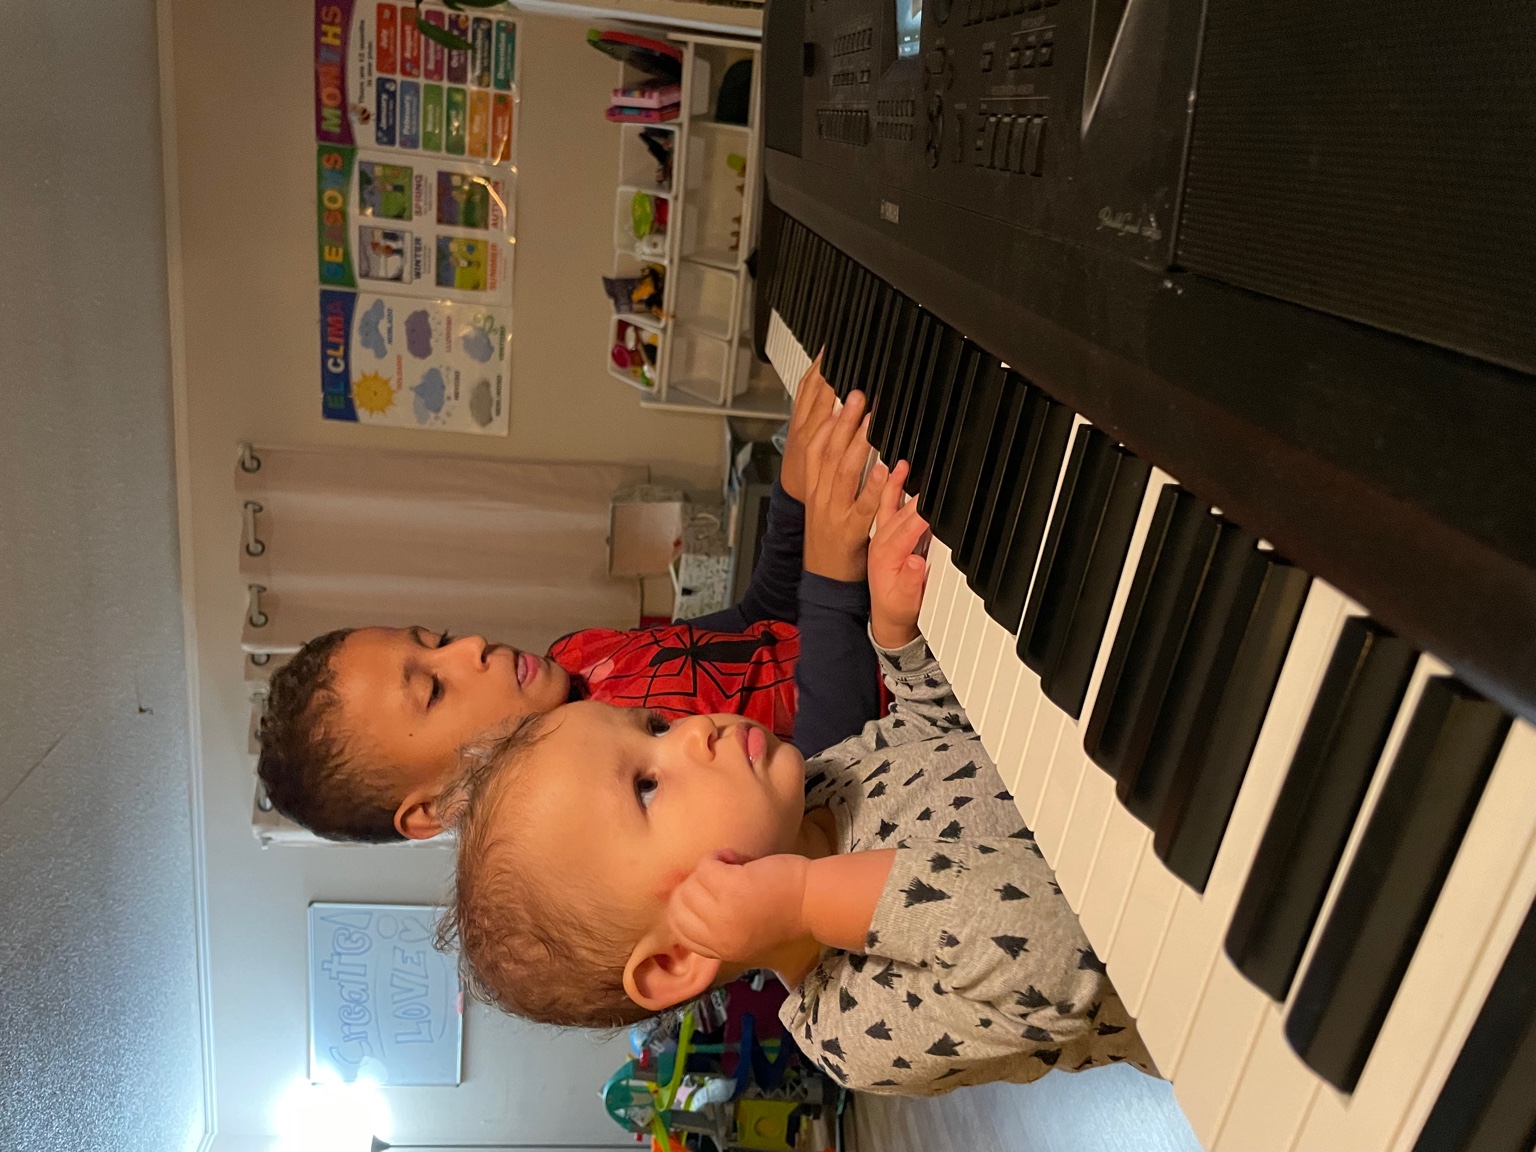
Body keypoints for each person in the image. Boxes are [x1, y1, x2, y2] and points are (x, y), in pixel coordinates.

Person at [437, 461, 1156, 1095]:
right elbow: (1070, 954)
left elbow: (942, 738)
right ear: (679, 958)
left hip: (1141, 789)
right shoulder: (846, 1026)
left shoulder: (821, 785)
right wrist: (811, 899)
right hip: (1202, 943)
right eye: (646, 786)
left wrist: (897, 639)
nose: (695, 731)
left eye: (654, 725)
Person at [256, 363, 888, 843]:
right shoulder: (604, 814)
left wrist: (796, 495)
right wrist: (834, 585)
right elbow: (824, 801)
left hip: (895, 627)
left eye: (439, 640)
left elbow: (758, 625)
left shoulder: (578, 657)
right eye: (434, 689)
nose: (471, 648)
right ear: (434, 809)